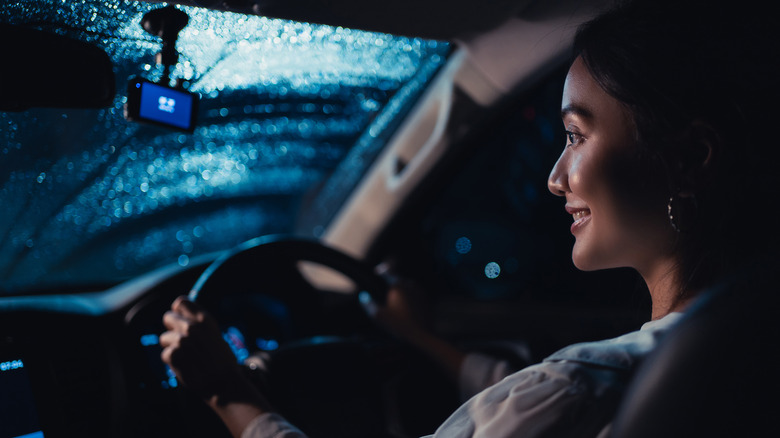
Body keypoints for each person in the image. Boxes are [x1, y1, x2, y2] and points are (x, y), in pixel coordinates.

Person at [160, 0, 780, 436]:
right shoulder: (734, 351)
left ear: (692, 159)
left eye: (575, 135)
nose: (554, 177)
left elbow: (550, 395)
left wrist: (229, 393)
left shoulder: (574, 387)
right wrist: (423, 341)